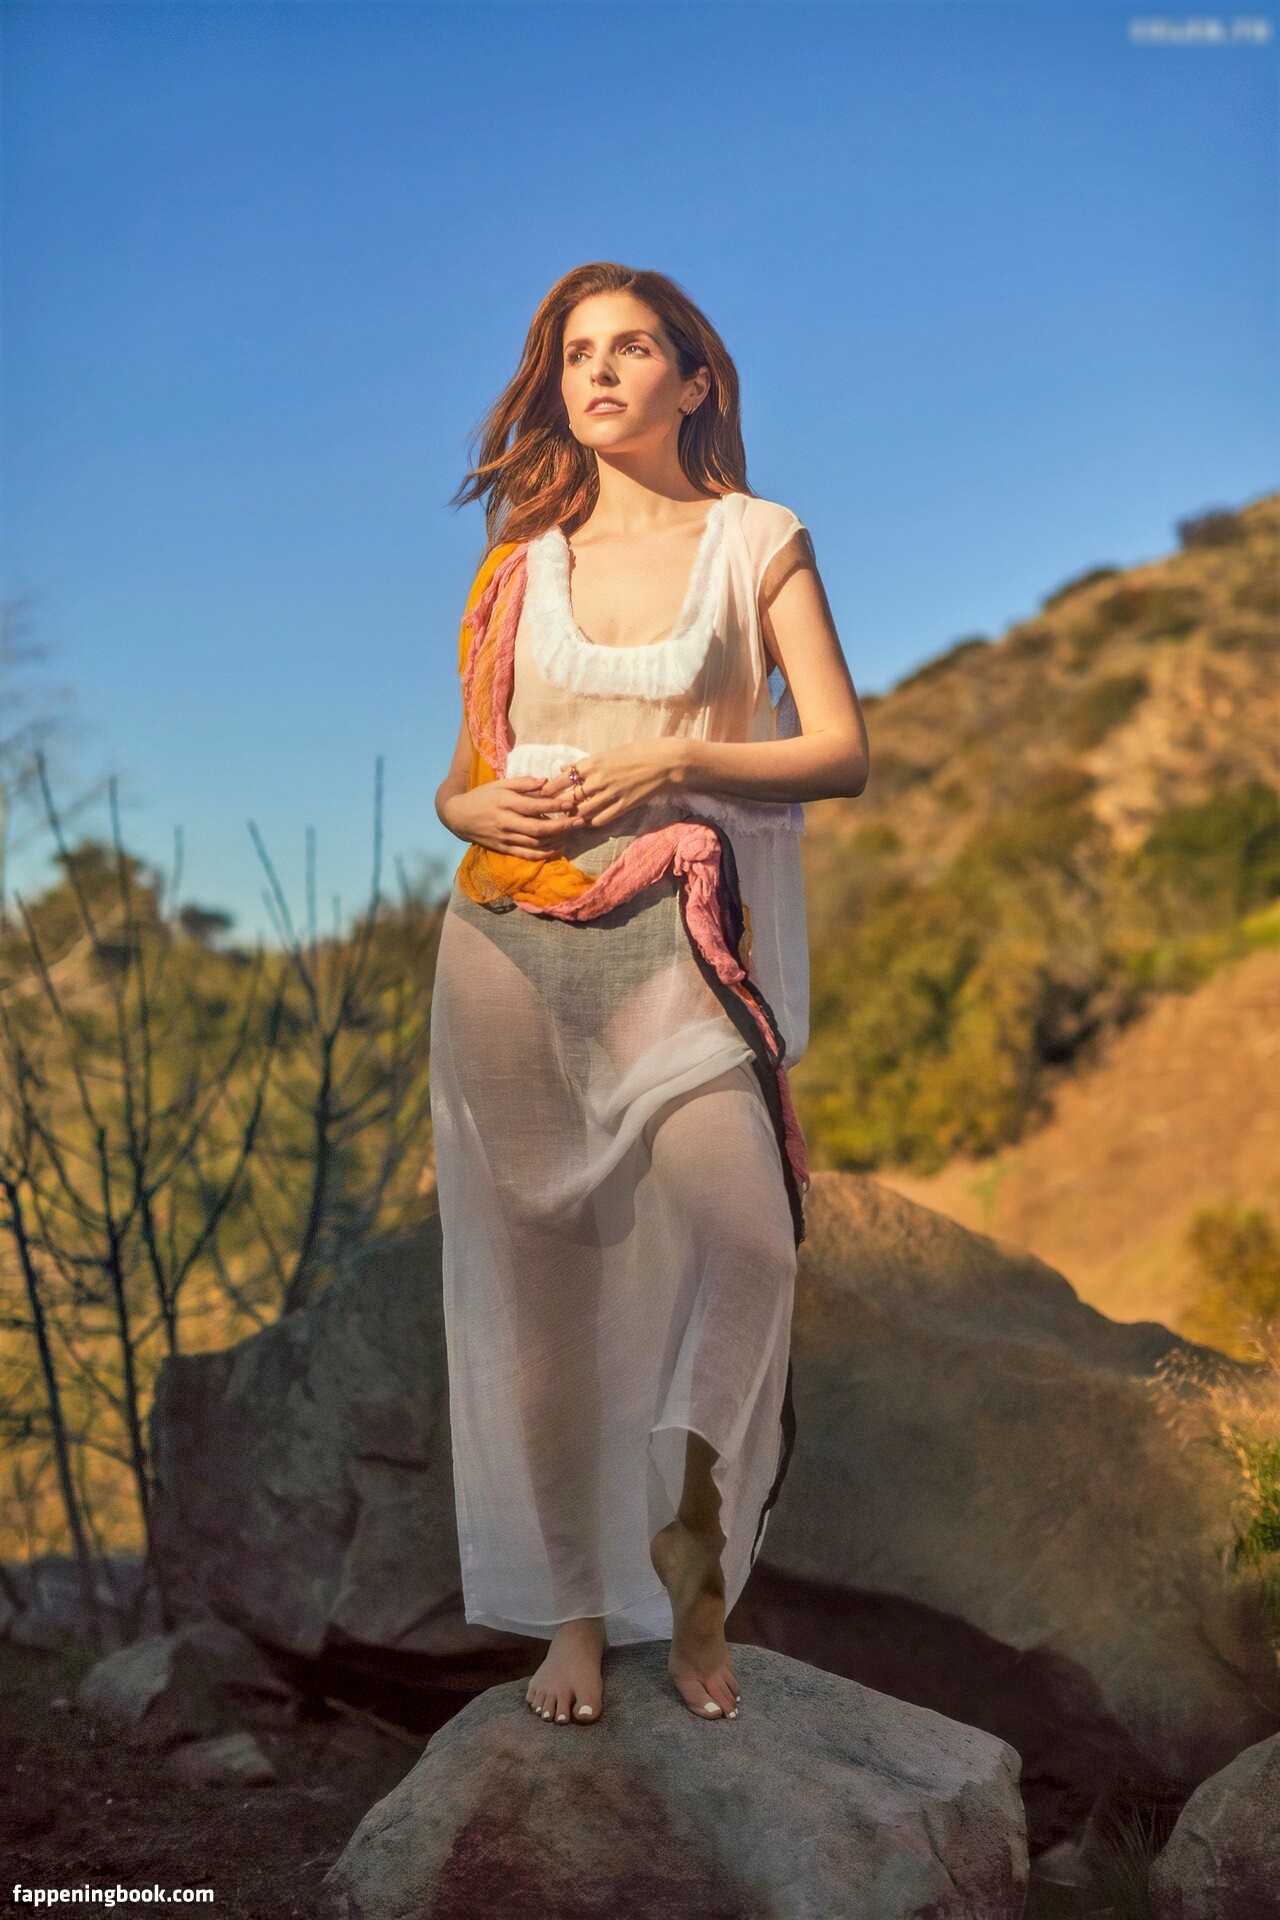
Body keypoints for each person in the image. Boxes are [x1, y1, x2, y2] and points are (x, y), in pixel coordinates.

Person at [430, 262, 867, 1730]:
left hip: (679, 942)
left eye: (632, 349)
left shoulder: (758, 540)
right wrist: (475, 811)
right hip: (509, 945)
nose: (600, 374)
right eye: (575, 355)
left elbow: (839, 749)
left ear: (696, 380)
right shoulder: (518, 564)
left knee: (749, 1240)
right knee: (544, 1297)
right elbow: (460, 778)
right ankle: (571, 1614)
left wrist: (676, 761)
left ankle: (690, 1545)